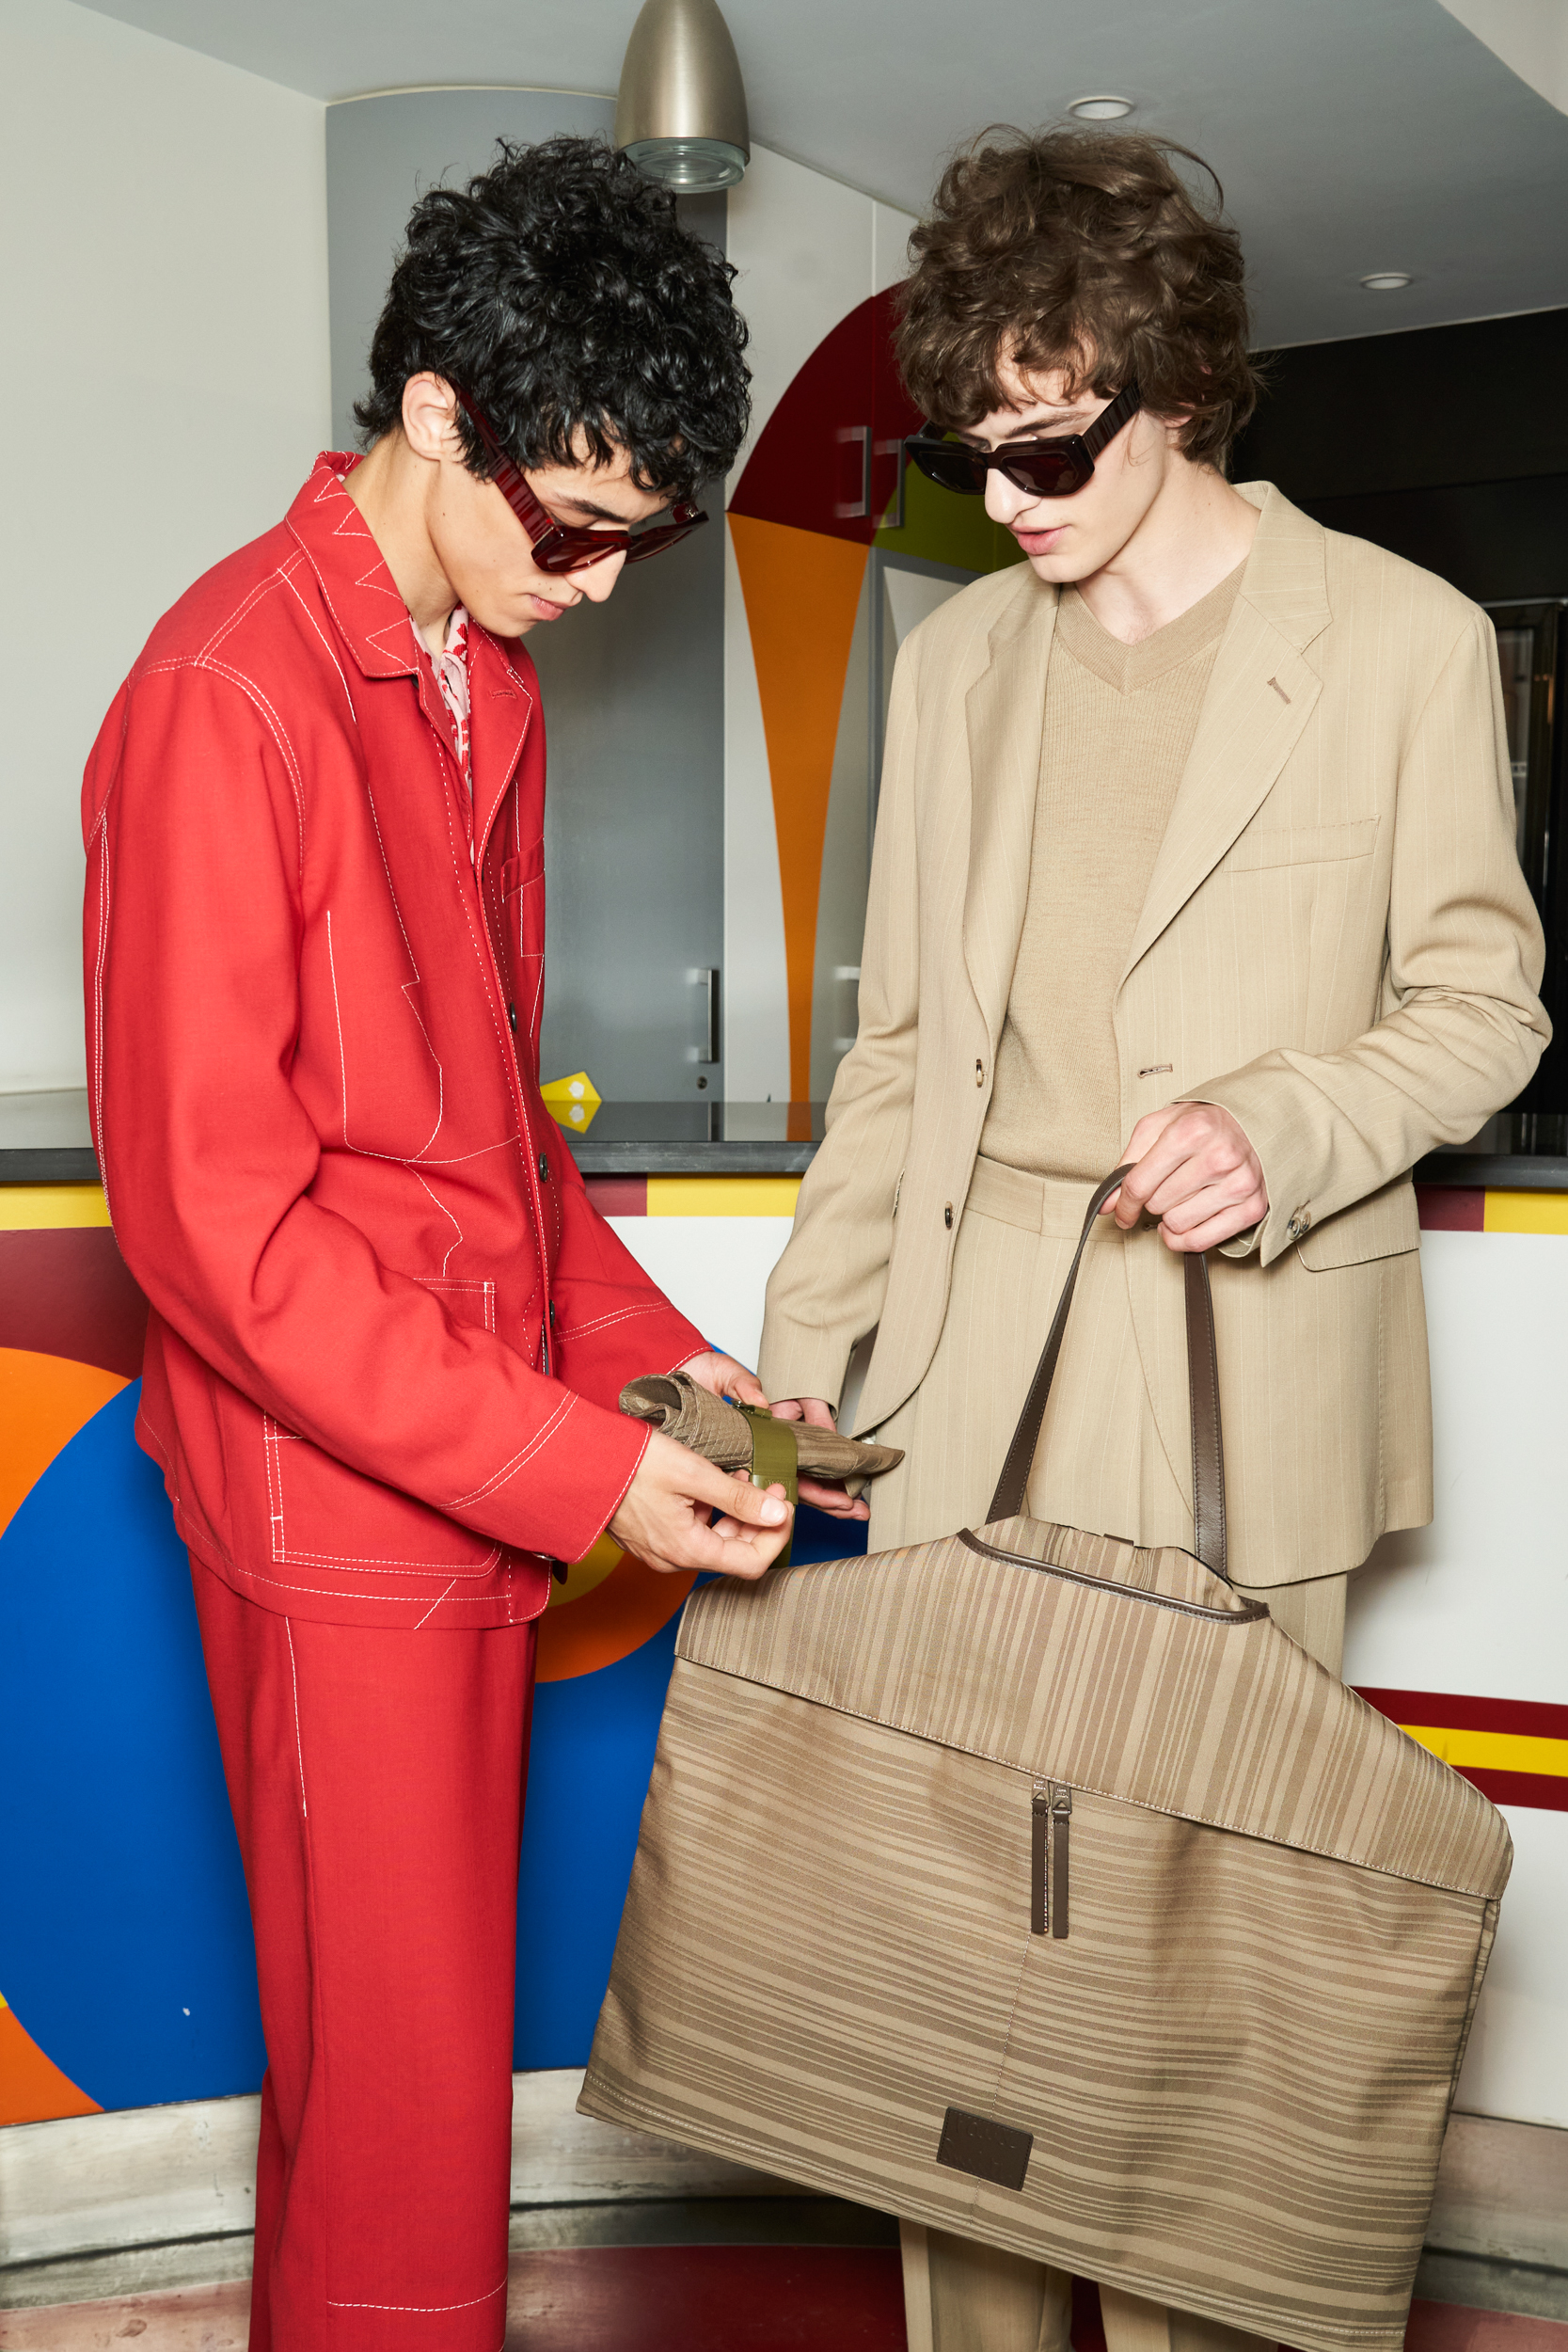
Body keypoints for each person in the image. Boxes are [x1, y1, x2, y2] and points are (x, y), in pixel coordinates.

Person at [759, 127, 1547, 2352]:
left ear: (1176, 383)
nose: (1002, 500)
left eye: (1052, 443)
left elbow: (1487, 993)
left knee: (1212, 1973)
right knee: (965, 1980)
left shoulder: (1394, 639)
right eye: (966, 453)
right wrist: (808, 1358)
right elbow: (901, 1050)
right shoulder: (957, 673)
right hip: (962, 1379)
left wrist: (1284, 1126)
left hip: (1232, 1367)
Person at [82, 136, 792, 2352]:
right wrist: (587, 1468)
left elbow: (496, 1135)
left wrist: (684, 1377)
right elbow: (216, 1227)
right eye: (573, 529)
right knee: (395, 2123)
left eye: (635, 545)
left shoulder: (487, 679)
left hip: (459, 1469)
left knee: (406, 2104)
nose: (595, 588)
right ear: (434, 418)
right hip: (337, 1498)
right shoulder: (227, 690)